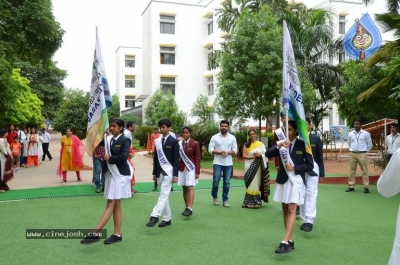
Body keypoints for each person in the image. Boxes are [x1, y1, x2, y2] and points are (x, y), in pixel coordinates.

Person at [80, 118, 133, 245]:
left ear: (120, 128)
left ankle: (95, 233)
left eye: (114, 126)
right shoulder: (108, 139)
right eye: (111, 126)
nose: (112, 128)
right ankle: (117, 234)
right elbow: (96, 140)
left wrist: (111, 158)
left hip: (119, 174)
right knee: (116, 204)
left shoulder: (125, 139)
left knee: (111, 203)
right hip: (110, 174)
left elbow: (124, 156)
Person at [265, 120, 314, 254]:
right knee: (285, 209)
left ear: (296, 131)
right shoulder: (282, 145)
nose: (287, 132)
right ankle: (290, 240)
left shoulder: (303, 144)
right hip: (283, 179)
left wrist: (295, 168)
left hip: (296, 181)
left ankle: (284, 241)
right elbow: (267, 153)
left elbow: (310, 165)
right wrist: (279, 144)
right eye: (286, 129)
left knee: (292, 208)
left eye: (290, 129)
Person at [146, 118, 179, 228]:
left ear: (169, 128)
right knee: (164, 196)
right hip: (159, 172)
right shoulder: (157, 141)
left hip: (169, 173)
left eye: (164, 127)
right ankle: (167, 218)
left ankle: (154, 216)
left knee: (163, 194)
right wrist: (154, 173)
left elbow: (176, 159)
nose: (162, 128)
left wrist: (175, 175)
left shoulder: (174, 141)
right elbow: (155, 159)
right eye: (161, 127)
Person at [299, 117, 325, 232]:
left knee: (311, 193)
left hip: (313, 169)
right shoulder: (297, 139)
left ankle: (310, 221)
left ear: (310, 125)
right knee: (302, 193)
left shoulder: (316, 139)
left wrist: (322, 173)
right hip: (300, 169)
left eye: (306, 124)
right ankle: (304, 219)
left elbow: (320, 157)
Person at [208, 120, 238, 208]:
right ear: (220, 127)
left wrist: (228, 153)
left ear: (228, 127)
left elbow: (235, 149)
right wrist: (221, 152)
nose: (223, 127)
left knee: (227, 182)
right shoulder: (214, 137)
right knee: (216, 180)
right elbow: (210, 149)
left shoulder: (232, 137)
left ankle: (225, 199)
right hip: (217, 162)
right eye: (222, 126)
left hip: (228, 163)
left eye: (225, 126)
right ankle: (214, 196)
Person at [242, 129, 269, 209]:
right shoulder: (246, 145)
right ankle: (248, 202)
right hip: (248, 166)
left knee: (256, 182)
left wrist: (260, 155)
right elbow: (244, 156)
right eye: (250, 134)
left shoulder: (261, 144)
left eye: (253, 134)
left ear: (256, 135)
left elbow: (265, 154)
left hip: (258, 166)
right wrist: (254, 156)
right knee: (249, 182)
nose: (252, 136)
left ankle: (255, 201)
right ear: (248, 136)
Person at [178, 126, 201, 217]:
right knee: (184, 187)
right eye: (183, 133)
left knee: (190, 187)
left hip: (191, 168)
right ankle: (187, 207)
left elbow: (198, 158)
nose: (185, 134)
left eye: (187, 132)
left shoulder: (195, 143)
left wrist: (197, 172)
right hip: (181, 167)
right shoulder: (179, 143)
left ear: (190, 133)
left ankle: (190, 208)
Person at [345, 120, 373, 193]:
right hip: (352, 153)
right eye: (355, 124)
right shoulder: (350, 134)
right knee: (352, 171)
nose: (356, 125)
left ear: (361, 125)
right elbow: (349, 143)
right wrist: (352, 149)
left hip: (362, 154)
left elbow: (369, 144)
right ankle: (351, 186)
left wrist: (364, 151)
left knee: (364, 171)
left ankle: (366, 187)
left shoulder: (366, 134)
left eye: (357, 124)